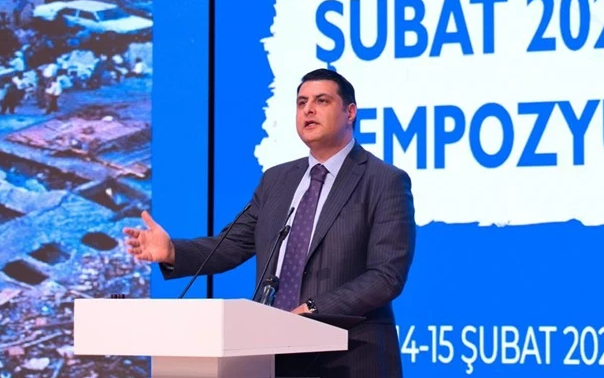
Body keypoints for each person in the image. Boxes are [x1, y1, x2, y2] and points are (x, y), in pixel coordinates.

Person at [124, 68, 416, 377]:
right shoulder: (277, 180)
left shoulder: (383, 180)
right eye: (301, 102)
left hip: (349, 357)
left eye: (321, 101)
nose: (308, 110)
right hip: (273, 355)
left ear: (350, 112)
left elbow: (386, 276)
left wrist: (315, 308)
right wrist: (172, 251)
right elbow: (231, 246)